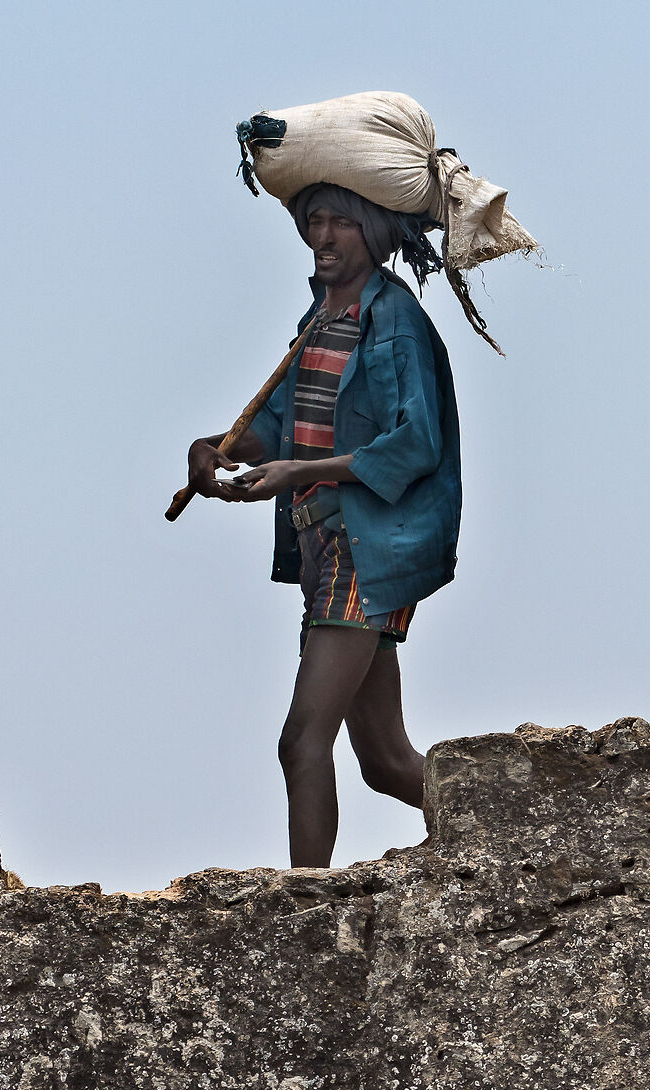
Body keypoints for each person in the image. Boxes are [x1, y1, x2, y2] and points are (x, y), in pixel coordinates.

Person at [186, 183, 462, 868]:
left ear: (376, 232)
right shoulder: (321, 317)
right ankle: (509, 834)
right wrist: (217, 447)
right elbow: (280, 426)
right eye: (316, 222)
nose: (326, 238)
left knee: (302, 738)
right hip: (323, 543)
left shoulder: (392, 320)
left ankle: (307, 905)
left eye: (343, 223)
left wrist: (296, 473)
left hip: (363, 546)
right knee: (387, 760)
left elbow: (415, 443)